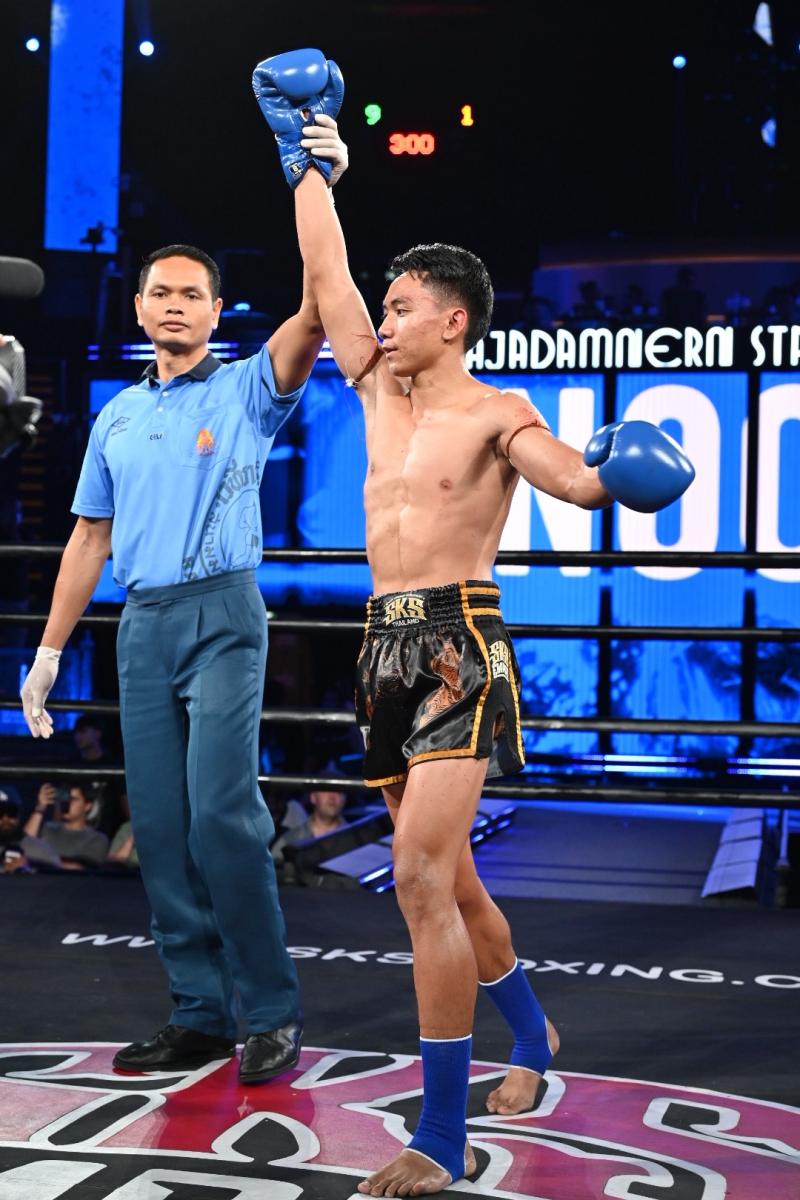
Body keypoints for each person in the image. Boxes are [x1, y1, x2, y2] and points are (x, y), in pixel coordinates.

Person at [254, 48, 696, 1195]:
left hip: (458, 644)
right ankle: (534, 1035)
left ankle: (439, 1140)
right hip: (381, 647)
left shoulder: (498, 412)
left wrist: (615, 474)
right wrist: (307, 162)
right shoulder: (373, 385)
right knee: (449, 885)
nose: (382, 321)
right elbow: (325, 273)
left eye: (403, 308)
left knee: (413, 876)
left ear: (451, 321)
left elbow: (574, 482)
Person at [19, 87, 350, 1082]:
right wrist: (46, 655)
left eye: (191, 294)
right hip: (141, 623)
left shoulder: (249, 387)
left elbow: (318, 303)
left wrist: (318, 180)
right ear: (139, 307)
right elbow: (88, 538)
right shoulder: (116, 417)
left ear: (214, 310)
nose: (173, 304)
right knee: (159, 829)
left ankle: (273, 1010)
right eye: (159, 291)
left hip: (222, 614)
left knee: (222, 816)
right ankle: (200, 1012)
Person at [22, 782, 108, 869]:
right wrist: (40, 808)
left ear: (87, 806)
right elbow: (24, 844)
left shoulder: (96, 839)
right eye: (65, 799)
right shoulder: (48, 828)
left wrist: (38, 860)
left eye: (73, 799)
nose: (67, 803)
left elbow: (81, 868)